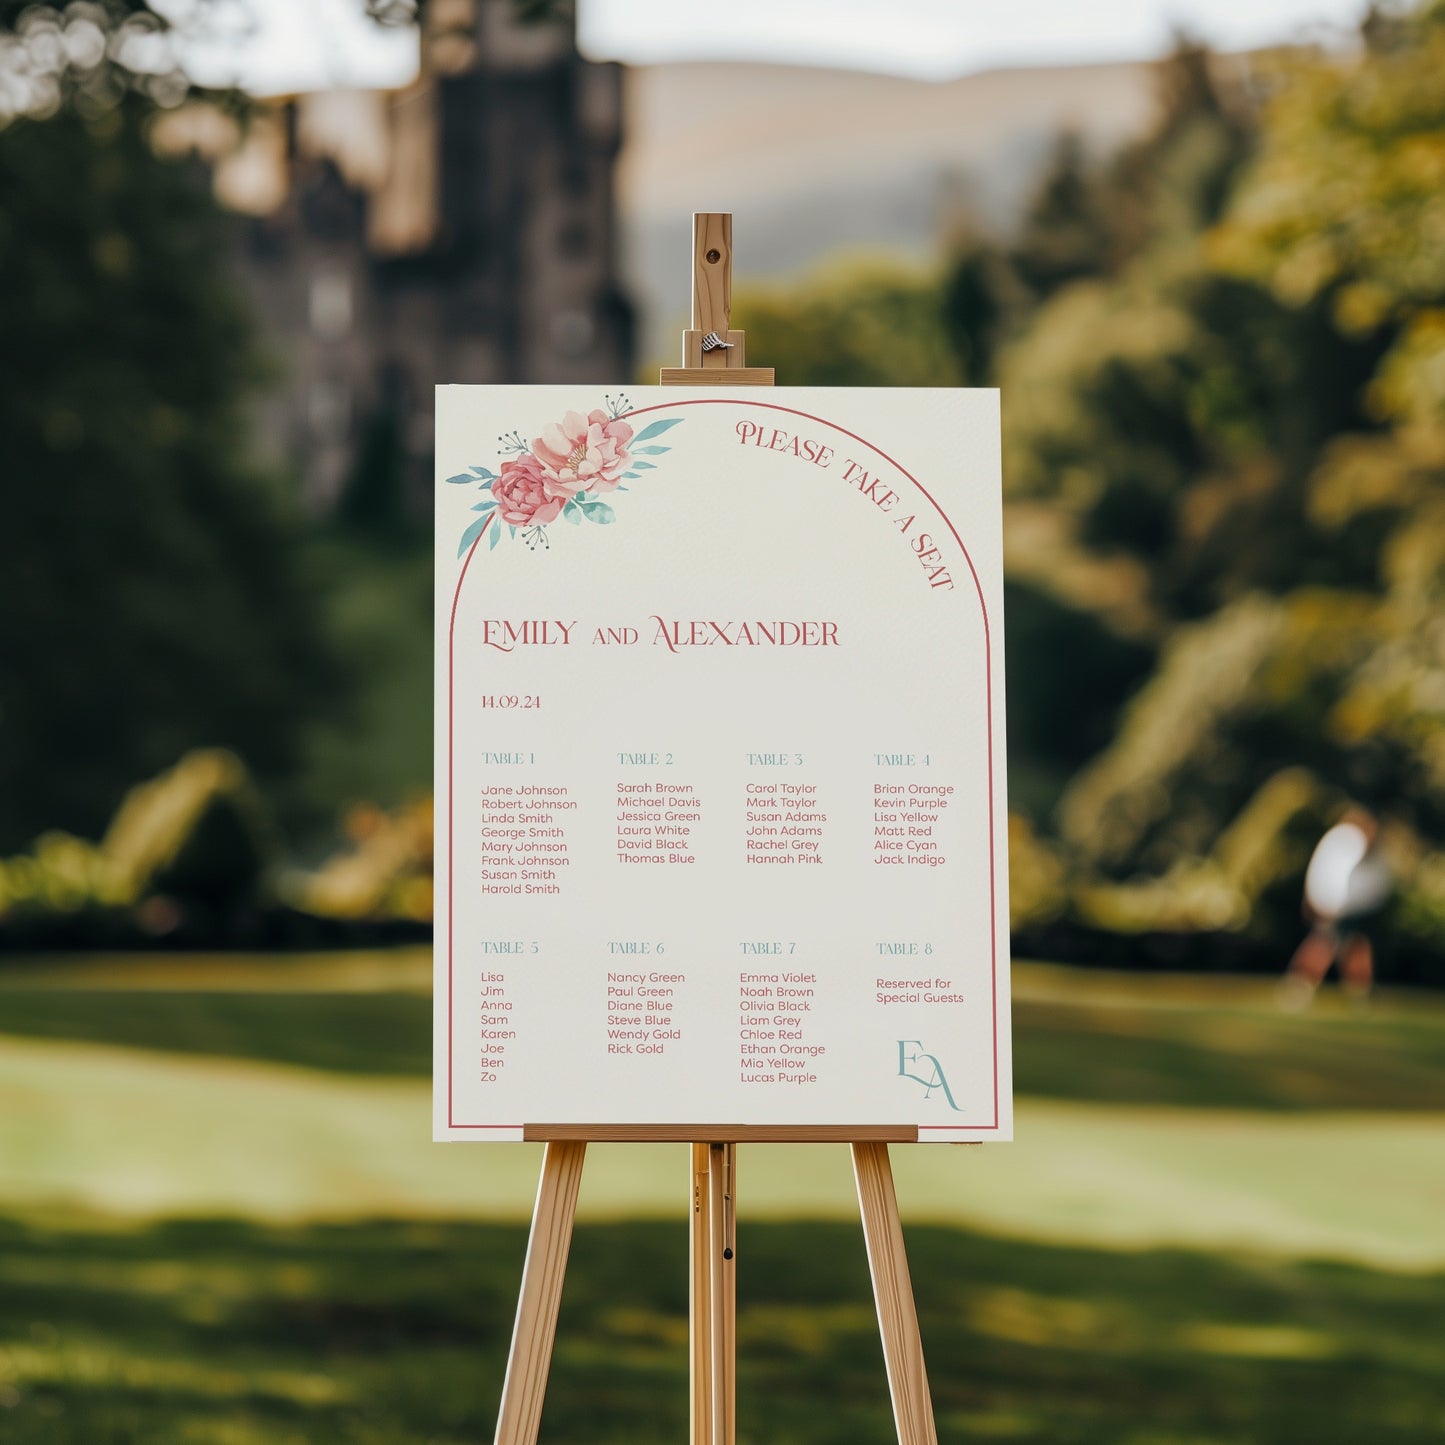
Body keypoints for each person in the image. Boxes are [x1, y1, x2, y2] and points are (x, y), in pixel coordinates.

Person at [1282, 808, 1392, 1007]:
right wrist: (1321, 903)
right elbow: (1328, 874)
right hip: (1335, 907)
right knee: (1324, 945)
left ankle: (1359, 991)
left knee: (1354, 947)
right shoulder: (1344, 842)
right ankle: (1300, 985)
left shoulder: (1362, 847)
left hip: (1353, 909)